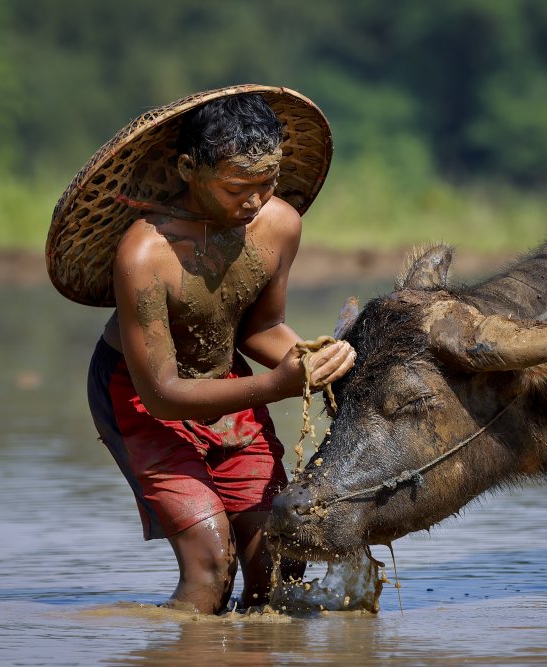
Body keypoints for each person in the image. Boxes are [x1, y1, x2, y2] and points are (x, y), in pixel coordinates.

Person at [47, 87, 355, 614]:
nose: (256, 201)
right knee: (211, 562)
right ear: (190, 168)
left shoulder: (279, 224)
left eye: (268, 183)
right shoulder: (146, 253)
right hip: (140, 394)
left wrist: (313, 361)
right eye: (238, 187)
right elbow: (163, 394)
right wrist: (280, 384)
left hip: (225, 379)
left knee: (279, 556)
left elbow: (263, 327)